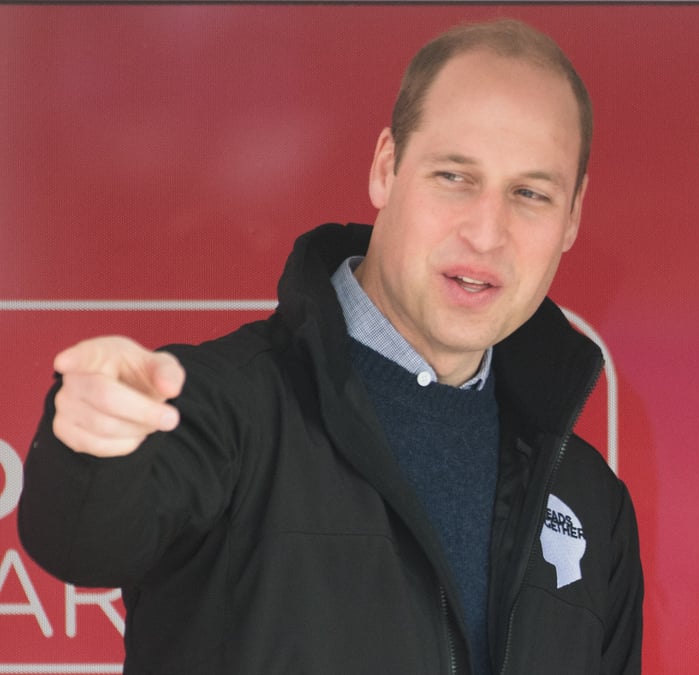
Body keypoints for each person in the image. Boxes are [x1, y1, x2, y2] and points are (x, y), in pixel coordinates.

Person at [19, 19, 642, 674]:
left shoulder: (588, 496)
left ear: (571, 216)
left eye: (530, 194)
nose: (487, 233)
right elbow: (82, 539)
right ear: (385, 168)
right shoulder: (222, 406)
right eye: (455, 177)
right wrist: (90, 449)